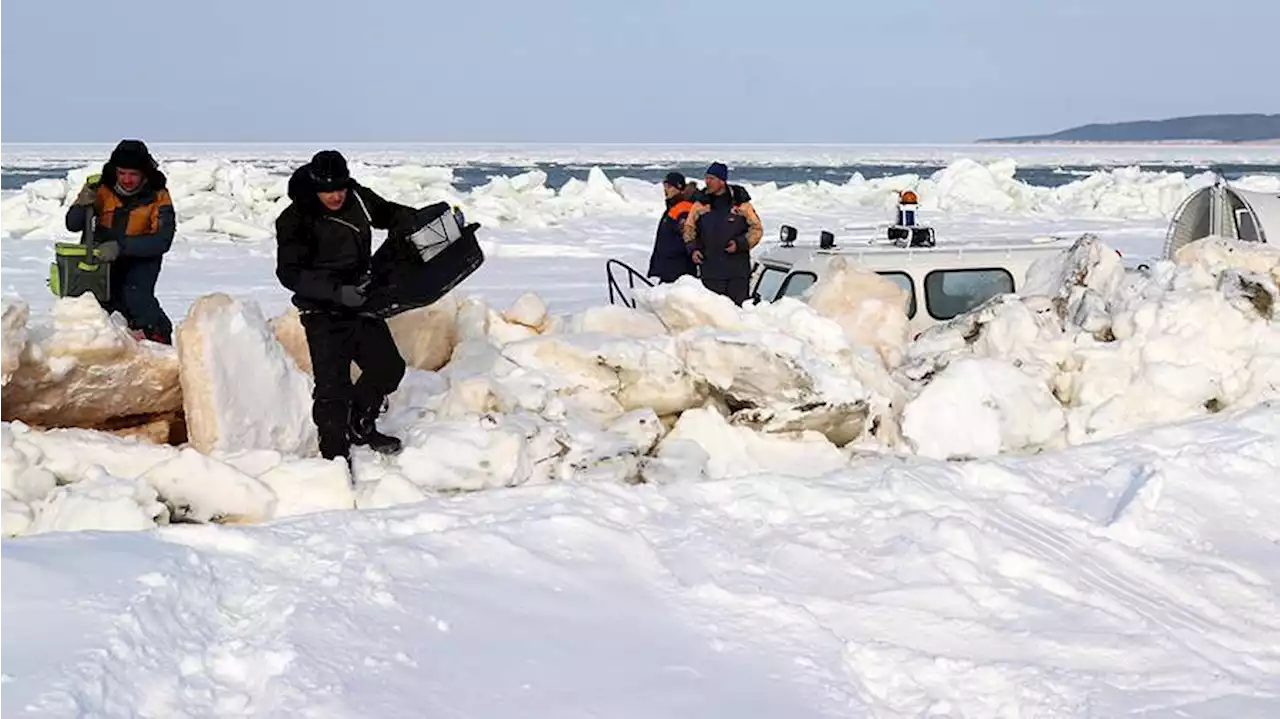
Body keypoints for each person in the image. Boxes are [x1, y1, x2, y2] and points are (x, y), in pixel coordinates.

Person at [275, 150, 416, 463]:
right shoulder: (294, 219)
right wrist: (337, 293)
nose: (336, 195)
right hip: (322, 310)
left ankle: (360, 423)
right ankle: (334, 457)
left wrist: (427, 219)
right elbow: (290, 272)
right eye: (328, 190)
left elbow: (388, 214)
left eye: (340, 187)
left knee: (388, 368)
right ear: (315, 187)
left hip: (361, 301)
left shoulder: (358, 198)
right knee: (332, 389)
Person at [65, 140, 176, 343]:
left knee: (136, 298)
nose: (127, 179)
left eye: (133, 174)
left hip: (142, 256)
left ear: (144, 173)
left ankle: (157, 339)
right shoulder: (99, 188)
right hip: (103, 255)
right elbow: (72, 225)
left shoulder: (159, 196)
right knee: (103, 303)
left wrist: (121, 247)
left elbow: (163, 240)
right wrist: (81, 205)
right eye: (122, 173)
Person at [682, 162, 763, 305]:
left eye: (711, 178)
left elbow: (757, 229)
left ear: (722, 180)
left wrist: (741, 244)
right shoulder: (700, 205)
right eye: (706, 178)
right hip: (710, 271)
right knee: (713, 313)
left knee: (737, 313)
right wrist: (693, 249)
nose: (707, 182)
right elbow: (688, 228)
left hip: (737, 272)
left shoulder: (741, 204)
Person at [646, 171, 697, 283]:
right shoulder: (672, 209)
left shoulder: (683, 209)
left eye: (669, 186)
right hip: (668, 268)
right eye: (665, 186)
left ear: (679, 188)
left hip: (678, 270)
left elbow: (688, 236)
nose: (666, 190)